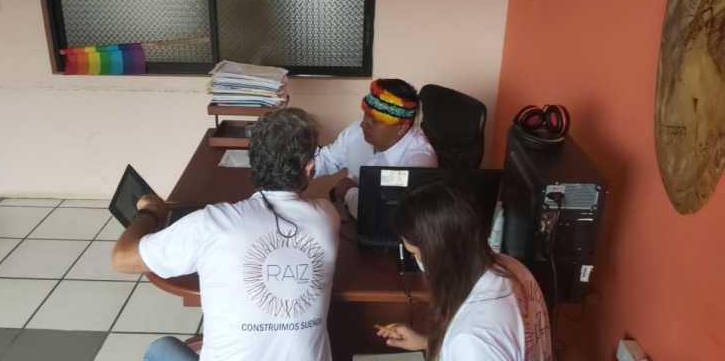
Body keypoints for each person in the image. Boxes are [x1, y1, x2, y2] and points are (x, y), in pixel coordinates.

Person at [112, 108, 340, 361]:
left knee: (160, 348)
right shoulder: (326, 217)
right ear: (309, 168)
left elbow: (122, 259)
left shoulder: (211, 224)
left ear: (253, 160)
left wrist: (151, 211)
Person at [376, 181, 552, 361]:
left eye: (414, 253)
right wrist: (428, 343)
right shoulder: (512, 266)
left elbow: (477, 346)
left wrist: (456, 346)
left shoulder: (472, 340)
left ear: (437, 253)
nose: (418, 262)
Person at [314, 78, 437, 217]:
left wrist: (348, 192)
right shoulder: (356, 132)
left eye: (374, 121)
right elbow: (327, 159)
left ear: (401, 128)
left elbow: (397, 216)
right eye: (365, 115)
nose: (363, 124)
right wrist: (298, 164)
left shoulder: (418, 162)